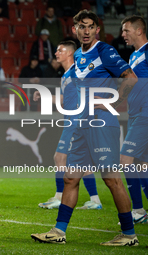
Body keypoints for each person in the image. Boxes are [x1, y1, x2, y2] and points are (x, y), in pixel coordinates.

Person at [31, 10, 139, 246]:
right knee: (71, 178)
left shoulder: (104, 51)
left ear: (97, 29)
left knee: (111, 180)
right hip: (82, 125)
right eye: (82, 26)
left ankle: (129, 235)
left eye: (90, 26)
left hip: (102, 124)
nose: (86, 31)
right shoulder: (78, 55)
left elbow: (130, 77)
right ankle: (59, 232)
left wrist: (112, 102)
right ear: (75, 30)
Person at [33, 41, 102, 210]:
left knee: (60, 157)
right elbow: (63, 100)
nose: (56, 53)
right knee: (81, 163)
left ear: (70, 53)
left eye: (59, 50)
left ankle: (59, 197)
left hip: (76, 121)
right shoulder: (65, 76)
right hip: (73, 120)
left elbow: (89, 92)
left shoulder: (77, 72)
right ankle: (95, 200)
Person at [120, 15, 148, 224]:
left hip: (145, 116)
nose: (123, 35)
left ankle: (137, 211)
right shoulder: (134, 56)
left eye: (126, 30)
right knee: (141, 165)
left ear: (139, 31)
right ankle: (140, 211)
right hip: (135, 115)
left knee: (126, 160)